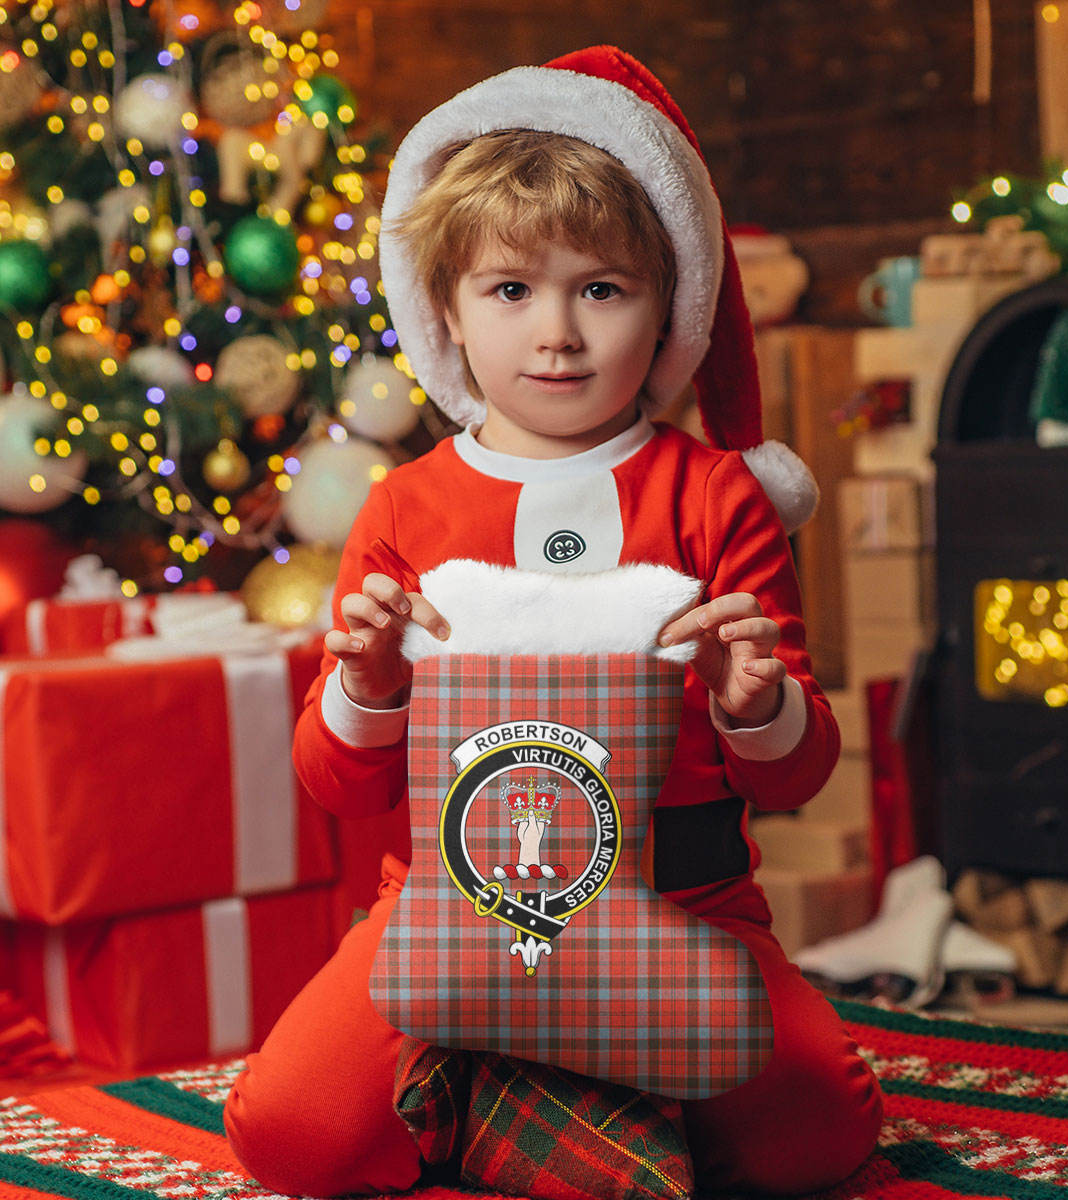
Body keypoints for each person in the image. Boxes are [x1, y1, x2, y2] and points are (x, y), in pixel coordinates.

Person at [224, 45, 882, 1197]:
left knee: (817, 1137)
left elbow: (796, 780)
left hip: (687, 903)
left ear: (665, 303)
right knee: (293, 1135)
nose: (558, 334)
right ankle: (534, 1084)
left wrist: (760, 705)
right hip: (447, 903)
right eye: (512, 289)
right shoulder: (407, 504)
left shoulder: (716, 496)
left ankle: (533, 1084)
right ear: (447, 310)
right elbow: (338, 785)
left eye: (602, 288)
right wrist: (368, 686)